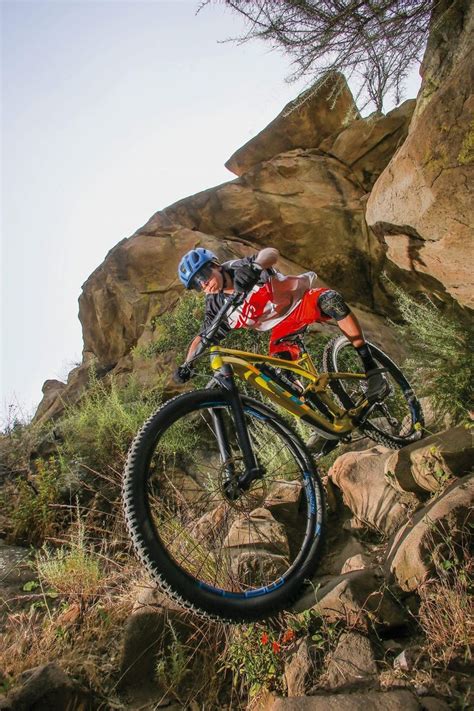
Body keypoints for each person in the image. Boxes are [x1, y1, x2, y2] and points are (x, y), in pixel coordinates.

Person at [174, 247, 388, 402]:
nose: (202, 284)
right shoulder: (216, 307)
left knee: (331, 300)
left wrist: (256, 266)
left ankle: (372, 369)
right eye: (195, 284)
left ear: (215, 266)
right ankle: (320, 420)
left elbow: (271, 253)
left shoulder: (238, 268)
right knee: (281, 376)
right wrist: (187, 364)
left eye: (202, 275)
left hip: (301, 302)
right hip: (282, 329)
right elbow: (203, 337)